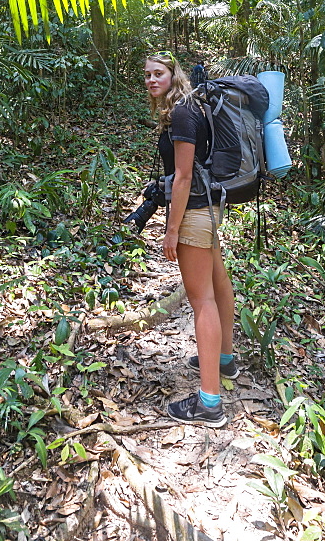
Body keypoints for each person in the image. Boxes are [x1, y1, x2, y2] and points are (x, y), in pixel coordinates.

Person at [144, 51, 237, 427]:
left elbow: (182, 178)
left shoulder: (182, 112)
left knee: (202, 301)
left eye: (158, 73)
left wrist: (171, 229)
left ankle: (209, 403)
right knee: (219, 283)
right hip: (208, 209)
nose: (151, 80)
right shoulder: (190, 106)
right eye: (147, 75)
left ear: (173, 73)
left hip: (195, 213)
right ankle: (225, 360)